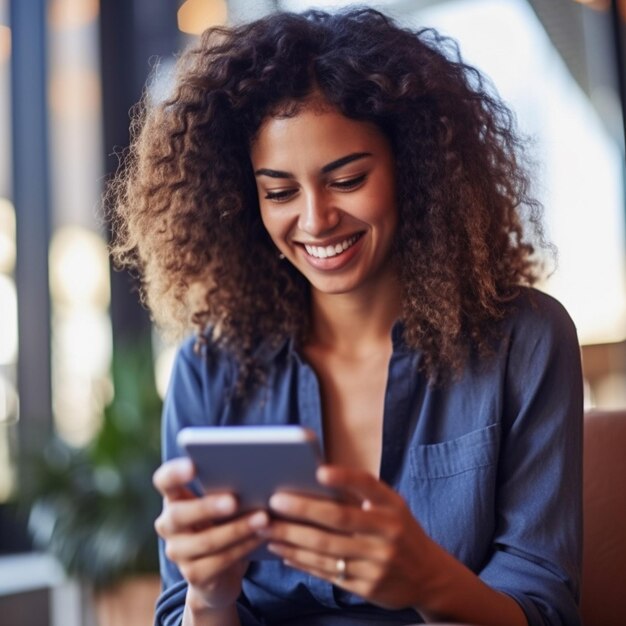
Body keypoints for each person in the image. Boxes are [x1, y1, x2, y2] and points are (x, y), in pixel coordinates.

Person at [110, 7, 583, 626]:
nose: (314, 220)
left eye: (348, 178)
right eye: (279, 192)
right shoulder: (213, 366)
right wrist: (209, 595)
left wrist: (426, 580)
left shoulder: (524, 341)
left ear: (414, 169)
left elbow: (545, 608)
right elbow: (182, 611)